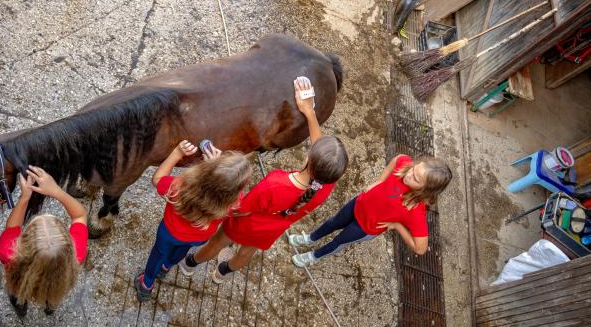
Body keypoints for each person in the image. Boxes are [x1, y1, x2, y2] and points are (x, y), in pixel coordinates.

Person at [181, 76, 349, 283]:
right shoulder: (327, 182)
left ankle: (190, 264)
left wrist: (221, 170)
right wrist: (310, 112)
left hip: (246, 223)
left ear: (309, 157)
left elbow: (242, 207)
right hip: (272, 229)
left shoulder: (276, 184)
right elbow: (321, 152)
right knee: (247, 252)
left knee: (217, 242)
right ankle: (222, 273)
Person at [134, 140, 252, 301]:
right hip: (198, 238)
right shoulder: (234, 202)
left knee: (158, 253)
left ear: (205, 171)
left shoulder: (179, 187)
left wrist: (177, 153)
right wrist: (217, 171)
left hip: (169, 233)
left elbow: (157, 179)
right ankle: (166, 267)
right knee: (181, 250)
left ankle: (146, 284)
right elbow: (225, 191)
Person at [289, 154, 452, 266]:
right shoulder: (405, 165)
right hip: (358, 203)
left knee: (338, 242)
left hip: (365, 227)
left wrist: (397, 226)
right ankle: (310, 238)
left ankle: (313, 256)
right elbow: (398, 159)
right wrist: (379, 180)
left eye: (416, 179)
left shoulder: (416, 211)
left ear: (426, 190)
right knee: (333, 222)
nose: (409, 175)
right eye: (413, 169)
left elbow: (420, 248)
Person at [0, 165, 88, 317]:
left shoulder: (8, 252)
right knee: (53, 296)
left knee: (15, 291)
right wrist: (56, 191)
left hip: (19, 284)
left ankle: (20, 306)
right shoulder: (76, 254)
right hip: (58, 286)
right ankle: (50, 306)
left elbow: (13, 227)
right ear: (68, 244)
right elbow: (80, 216)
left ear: (23, 243)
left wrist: (24, 198)